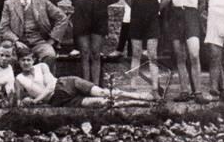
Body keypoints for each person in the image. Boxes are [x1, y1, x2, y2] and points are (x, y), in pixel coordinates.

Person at [14, 44, 154, 107]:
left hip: (66, 83)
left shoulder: (42, 66)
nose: (26, 63)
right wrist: (25, 100)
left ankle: (140, 96)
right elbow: (18, 100)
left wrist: (35, 100)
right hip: (58, 100)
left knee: (103, 93)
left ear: (33, 60)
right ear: (19, 62)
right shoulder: (19, 79)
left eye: (28, 60)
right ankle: (140, 103)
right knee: (102, 103)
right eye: (23, 60)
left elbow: (50, 86)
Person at [162, 0, 208, 103]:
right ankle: (184, 91)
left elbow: (202, 2)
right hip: (176, 18)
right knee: (180, 56)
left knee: (194, 54)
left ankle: (198, 92)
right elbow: (168, 2)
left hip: (191, 17)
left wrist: (193, 15)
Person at [0, 0, 69, 71]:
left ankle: (45, 80)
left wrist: (52, 39)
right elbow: (4, 27)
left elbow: (62, 18)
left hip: (39, 42)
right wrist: (16, 41)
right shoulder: (9, 3)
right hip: (17, 43)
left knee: (49, 54)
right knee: (9, 56)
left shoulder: (42, 1)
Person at [125, 0, 166, 98]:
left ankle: (155, 88)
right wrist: (137, 10)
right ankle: (133, 87)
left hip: (152, 12)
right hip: (137, 13)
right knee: (136, 52)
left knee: (152, 54)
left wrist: (156, 10)